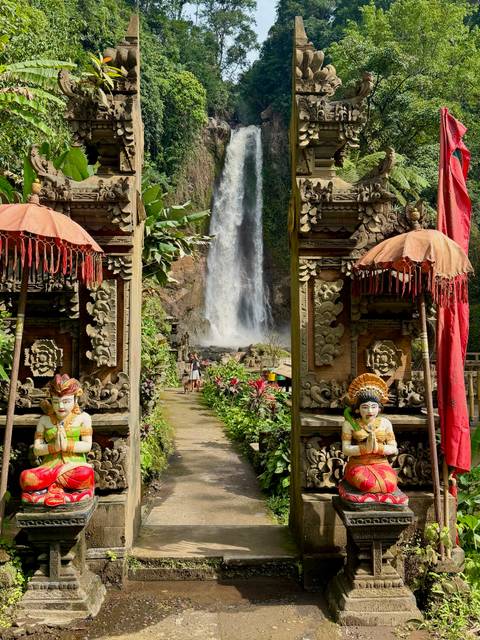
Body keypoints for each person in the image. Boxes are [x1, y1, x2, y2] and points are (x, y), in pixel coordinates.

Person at [20, 374, 95, 507]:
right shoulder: (44, 420)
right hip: (49, 468)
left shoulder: (83, 418)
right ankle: (70, 493)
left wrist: (66, 446)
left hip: (73, 467)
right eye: (56, 402)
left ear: (75, 399)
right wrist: (54, 447)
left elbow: (87, 445)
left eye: (66, 401)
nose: (60, 406)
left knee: (85, 473)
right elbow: (37, 449)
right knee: (26, 477)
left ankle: (42, 492)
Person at [339, 373, 407, 507]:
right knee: (368, 484)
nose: (370, 410)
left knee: (389, 484)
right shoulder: (349, 424)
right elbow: (345, 449)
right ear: (358, 409)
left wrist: (377, 448)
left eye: (373, 406)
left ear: (379, 408)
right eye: (365, 407)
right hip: (358, 463)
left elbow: (393, 447)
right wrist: (364, 449)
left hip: (380, 462)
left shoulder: (385, 423)